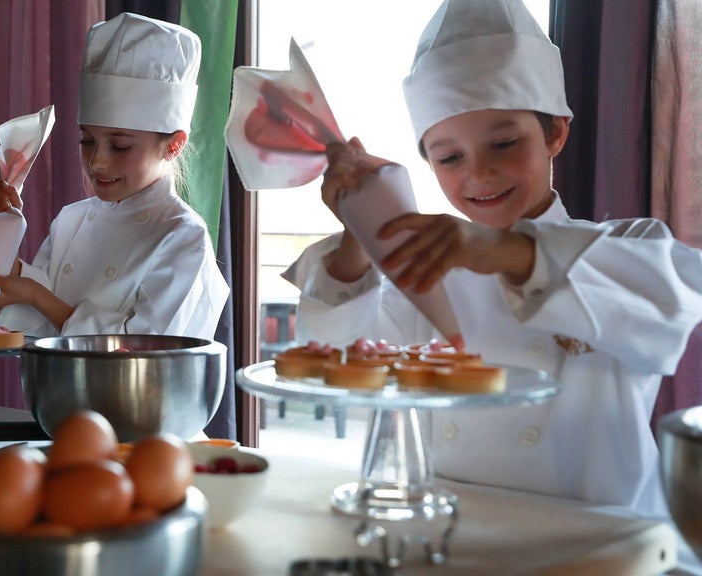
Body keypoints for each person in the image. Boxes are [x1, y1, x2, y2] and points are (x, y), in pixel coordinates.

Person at [281, 0, 702, 570]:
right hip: (450, 538)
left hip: (598, 549)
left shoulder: (626, 247)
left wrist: (502, 250)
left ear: (555, 132)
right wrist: (361, 229)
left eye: (504, 144)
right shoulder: (430, 271)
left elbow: (671, 296)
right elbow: (338, 356)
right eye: (449, 157)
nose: (478, 175)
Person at [0, 12, 229, 341]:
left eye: (120, 146)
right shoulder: (71, 220)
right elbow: (28, 326)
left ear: (174, 145)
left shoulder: (182, 236)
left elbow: (144, 351)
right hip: (55, 393)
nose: (97, 162)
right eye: (87, 141)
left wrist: (38, 296)